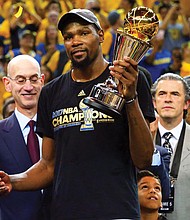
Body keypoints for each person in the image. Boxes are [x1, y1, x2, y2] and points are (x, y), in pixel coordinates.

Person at [0, 9, 155, 219]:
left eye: (83, 33)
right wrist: (13, 181)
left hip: (117, 211)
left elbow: (144, 158)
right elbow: (48, 165)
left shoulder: (132, 78)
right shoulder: (50, 93)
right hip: (66, 214)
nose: (76, 41)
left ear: (101, 35)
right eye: (69, 37)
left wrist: (130, 99)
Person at [0, 55, 45, 220]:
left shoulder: (60, 128)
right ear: (7, 84)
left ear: (42, 81)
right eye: (20, 80)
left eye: (33, 79)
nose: (28, 87)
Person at [151, 73, 190, 219]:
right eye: (162, 94)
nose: (168, 99)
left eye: (175, 94)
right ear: (154, 102)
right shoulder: (139, 140)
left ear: (186, 103)